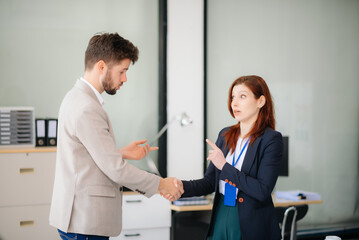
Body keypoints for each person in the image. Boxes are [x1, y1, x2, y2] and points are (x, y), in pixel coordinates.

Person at [49, 32, 183, 240]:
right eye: (122, 71)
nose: (125, 79)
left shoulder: (75, 98)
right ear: (102, 66)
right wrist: (161, 184)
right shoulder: (86, 107)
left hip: (79, 221)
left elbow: (82, 156)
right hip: (85, 223)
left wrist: (119, 152)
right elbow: (116, 171)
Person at [178, 75, 283, 239]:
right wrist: (179, 187)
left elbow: (262, 190)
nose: (234, 103)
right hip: (221, 212)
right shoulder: (226, 134)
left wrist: (224, 166)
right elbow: (209, 182)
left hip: (250, 222)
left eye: (242, 96)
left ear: (260, 101)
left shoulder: (271, 139)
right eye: (233, 97)